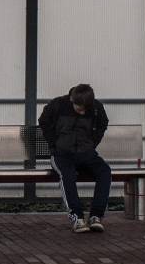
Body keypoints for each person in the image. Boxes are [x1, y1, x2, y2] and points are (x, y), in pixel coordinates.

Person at [37, 83, 111, 233]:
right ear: (72, 99)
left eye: (85, 109)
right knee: (68, 175)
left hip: (86, 153)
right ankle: (76, 217)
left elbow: (103, 124)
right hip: (62, 155)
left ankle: (96, 216)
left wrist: (92, 144)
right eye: (79, 108)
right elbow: (43, 121)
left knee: (105, 172)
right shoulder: (58, 105)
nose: (82, 112)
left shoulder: (96, 107)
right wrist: (54, 144)